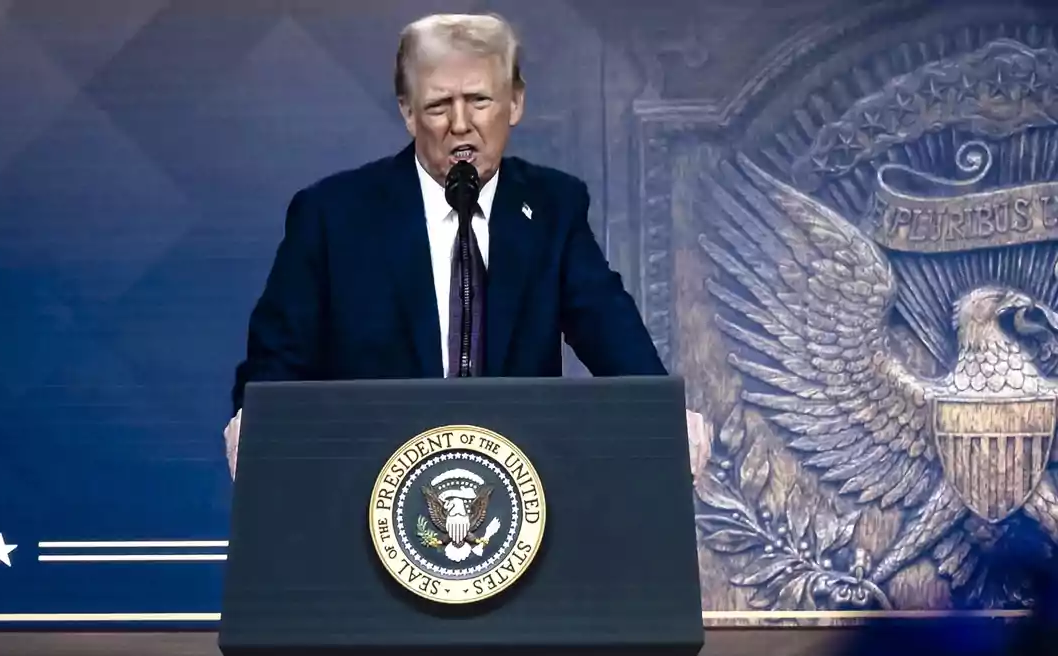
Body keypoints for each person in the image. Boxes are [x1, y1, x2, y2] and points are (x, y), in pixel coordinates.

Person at [224, 12, 710, 479]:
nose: (460, 124)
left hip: (519, 494)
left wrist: (661, 413)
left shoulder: (552, 208)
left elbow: (610, 328)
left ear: (515, 103)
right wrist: (257, 419)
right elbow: (277, 360)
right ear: (408, 112)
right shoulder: (332, 216)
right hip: (366, 487)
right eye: (438, 105)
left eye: (479, 101)